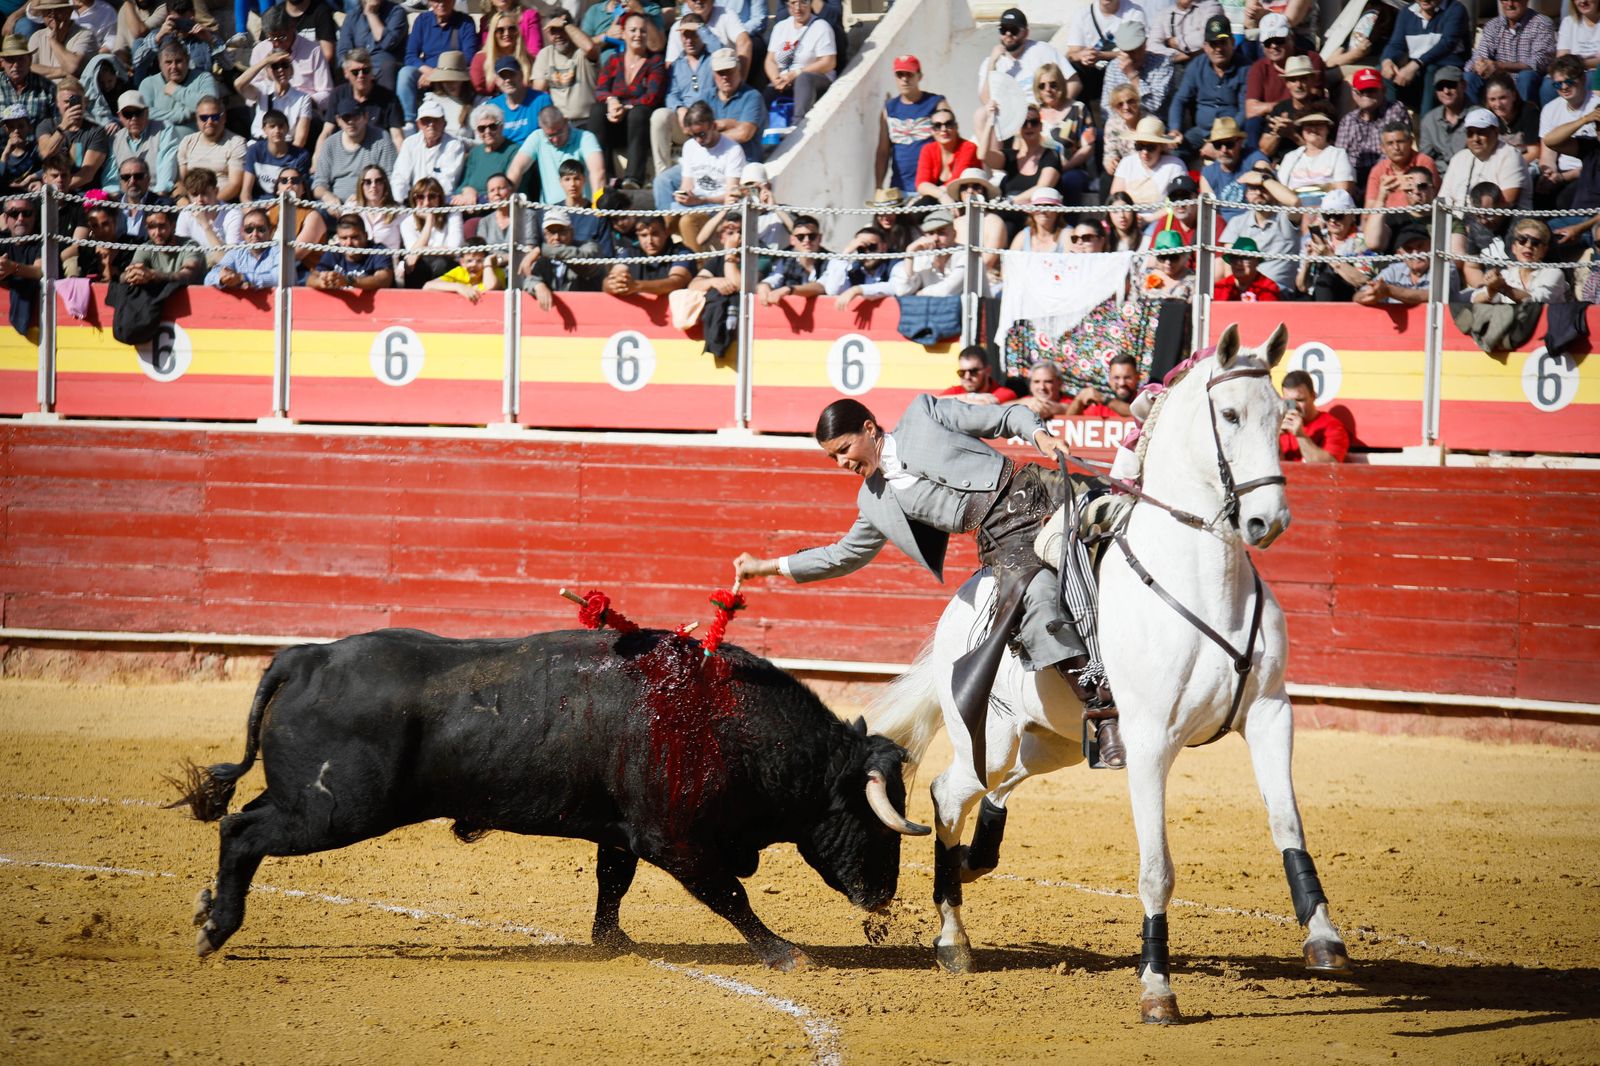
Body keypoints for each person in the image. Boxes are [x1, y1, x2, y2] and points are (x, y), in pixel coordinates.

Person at [730, 394, 1125, 770]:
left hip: (1036, 489)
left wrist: (1041, 435)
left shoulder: (924, 414)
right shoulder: (874, 502)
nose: (840, 462)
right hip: (1003, 541)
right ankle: (1103, 713)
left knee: (1124, 509)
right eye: (832, 456)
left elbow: (1005, 417)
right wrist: (768, 566)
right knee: (1036, 596)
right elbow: (843, 555)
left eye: (844, 449)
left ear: (869, 428)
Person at [1166, 13, 1249, 158]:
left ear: (1232, 42)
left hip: (1233, 134)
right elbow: (1180, 99)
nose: (1218, 49)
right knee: (1173, 154)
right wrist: (1175, 129)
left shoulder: (1246, 68)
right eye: (1213, 44)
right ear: (1205, 46)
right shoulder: (1197, 66)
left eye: (1222, 42)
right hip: (1201, 132)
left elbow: (1245, 110)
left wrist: (1220, 139)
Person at [1244, 12, 1324, 146]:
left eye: (1279, 40)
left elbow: (1314, 96)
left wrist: (1277, 109)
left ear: (1291, 37)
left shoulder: (1311, 59)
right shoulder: (1258, 67)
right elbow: (1251, 110)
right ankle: (1257, 162)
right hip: (1273, 122)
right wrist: (1281, 109)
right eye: (1268, 42)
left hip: (1305, 118)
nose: (1274, 46)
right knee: (1253, 123)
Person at [1219, 166, 1300, 291]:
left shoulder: (1286, 217)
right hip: (1245, 290)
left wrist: (1264, 179)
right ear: (1246, 194)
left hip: (1279, 291)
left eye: (1263, 188)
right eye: (1253, 188)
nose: (1258, 193)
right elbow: (1229, 264)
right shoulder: (1237, 222)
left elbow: (1294, 202)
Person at [1381, 0, 1471, 111]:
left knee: (1431, 70)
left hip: (1446, 66)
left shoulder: (1455, 9)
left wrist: (1414, 65)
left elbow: (1447, 44)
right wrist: (1387, 60)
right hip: (1418, 70)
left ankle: (1426, 122)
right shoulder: (1407, 12)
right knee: (1385, 71)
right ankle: (1393, 118)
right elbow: (1396, 44)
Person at [400, 0, 479, 125]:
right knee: (405, 74)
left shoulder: (465, 22)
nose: (441, 4)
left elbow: (469, 56)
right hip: (426, 73)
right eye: (437, 1)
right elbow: (410, 56)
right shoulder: (422, 20)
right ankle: (410, 122)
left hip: (454, 73)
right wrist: (429, 72)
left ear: (453, 2)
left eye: (446, 0)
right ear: (430, 2)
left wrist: (440, 72)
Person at [877, 53, 944, 196]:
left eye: (909, 74)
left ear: (919, 76)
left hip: (932, 187)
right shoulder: (889, 109)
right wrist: (878, 187)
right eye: (900, 74)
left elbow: (951, 142)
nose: (905, 79)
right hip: (899, 188)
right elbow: (883, 151)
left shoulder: (936, 103)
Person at [244, 7, 330, 118]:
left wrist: (302, 102)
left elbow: (327, 93)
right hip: (270, 113)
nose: (276, 44)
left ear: (293, 27)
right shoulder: (260, 50)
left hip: (305, 112)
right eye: (271, 38)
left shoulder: (314, 51)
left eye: (282, 37)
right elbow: (252, 91)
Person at [508, 104, 605, 202]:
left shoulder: (585, 138)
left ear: (566, 121)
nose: (555, 139)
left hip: (583, 210)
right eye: (550, 136)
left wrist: (596, 206)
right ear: (542, 128)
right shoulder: (537, 137)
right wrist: (508, 200)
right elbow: (516, 169)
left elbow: (598, 172)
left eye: (559, 132)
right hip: (550, 213)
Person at [1466, 0, 1555, 105]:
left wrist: (1499, 66)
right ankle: (1476, 118)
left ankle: (1526, 116)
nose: (1510, 4)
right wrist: (1480, 65)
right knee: (1469, 77)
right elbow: (1479, 56)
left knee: (1526, 76)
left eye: (1515, 0)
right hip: (1499, 85)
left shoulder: (1542, 23)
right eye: (1505, 0)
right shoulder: (1493, 25)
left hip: (1528, 86)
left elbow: (1539, 62)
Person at [1337, 67, 1411, 191]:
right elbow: (1340, 159)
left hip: (1387, 176)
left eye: (1371, 90)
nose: (1366, 94)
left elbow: (1393, 153)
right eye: (1362, 90)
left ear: (1383, 90)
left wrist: (1370, 186)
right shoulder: (1348, 120)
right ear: (1354, 93)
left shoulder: (1394, 110)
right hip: (1354, 180)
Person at [764, 0, 835, 126]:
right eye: (793, 3)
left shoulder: (821, 26)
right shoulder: (780, 27)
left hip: (814, 78)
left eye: (803, 2)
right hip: (786, 79)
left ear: (810, 3)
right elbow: (770, 60)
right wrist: (776, 79)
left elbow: (828, 62)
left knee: (803, 79)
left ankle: (797, 125)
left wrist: (796, 74)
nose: (797, 8)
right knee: (768, 91)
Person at [312, 103, 398, 206]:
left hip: (371, 203)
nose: (351, 122)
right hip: (336, 206)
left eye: (356, 116)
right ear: (338, 120)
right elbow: (318, 184)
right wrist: (328, 197)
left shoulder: (382, 139)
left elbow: (390, 178)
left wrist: (363, 198)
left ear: (366, 117)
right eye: (346, 117)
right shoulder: (330, 143)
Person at [1438, 107, 1525, 207]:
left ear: (1496, 132)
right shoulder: (1458, 158)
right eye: (1470, 133)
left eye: (1481, 132)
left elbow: (1506, 204)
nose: (1475, 139)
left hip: (1500, 220)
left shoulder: (1510, 156)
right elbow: (1443, 200)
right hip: (1457, 219)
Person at [1468, 217, 1570, 302]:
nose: (1528, 245)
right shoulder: (1506, 275)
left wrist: (1502, 287)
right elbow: (1474, 299)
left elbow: (1535, 301)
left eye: (1535, 242)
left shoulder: (1554, 274)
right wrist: (1491, 288)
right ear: (1514, 248)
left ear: (1544, 250)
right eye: (1522, 240)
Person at [1296, 189, 1372, 301]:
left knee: (1325, 279)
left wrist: (1329, 256)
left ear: (1352, 215)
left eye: (1338, 215)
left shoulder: (1362, 241)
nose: (1332, 220)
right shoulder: (1317, 239)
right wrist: (1307, 263)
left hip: (1349, 299)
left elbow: (1363, 280)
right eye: (1327, 215)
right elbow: (1302, 286)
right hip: (1317, 298)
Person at [529, 8, 598, 128]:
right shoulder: (545, 54)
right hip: (559, 124)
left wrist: (566, 24)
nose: (558, 35)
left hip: (588, 121)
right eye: (553, 31)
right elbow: (538, 91)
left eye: (562, 30)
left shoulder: (582, 51)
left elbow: (590, 48)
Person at [1538, 54, 1591, 208]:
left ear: (1583, 79)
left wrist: (1563, 177)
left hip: (1589, 174)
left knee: (1564, 201)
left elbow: (1596, 163)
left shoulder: (1596, 106)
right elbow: (1547, 154)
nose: (1564, 87)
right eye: (1558, 84)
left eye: (1569, 81)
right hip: (1561, 173)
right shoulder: (1550, 109)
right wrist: (1549, 173)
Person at [34, 79, 106, 193]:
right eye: (67, 102)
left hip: (81, 193)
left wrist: (57, 189)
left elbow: (86, 174)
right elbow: (45, 152)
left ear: (85, 103)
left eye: (77, 101)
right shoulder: (47, 125)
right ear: (57, 103)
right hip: (51, 189)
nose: (71, 106)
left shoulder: (96, 132)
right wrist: (63, 127)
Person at [1256, 53, 1329, 164]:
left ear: (1313, 80)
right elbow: (1265, 151)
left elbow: (1326, 154)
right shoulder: (1279, 109)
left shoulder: (1323, 109)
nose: (1298, 85)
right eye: (1293, 80)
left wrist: (1293, 135)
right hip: (1282, 167)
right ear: (1287, 83)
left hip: (1315, 167)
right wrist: (1277, 134)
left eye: (1303, 79)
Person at [1064, 0, 1139, 105]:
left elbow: (1136, 51)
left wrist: (1101, 55)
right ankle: (1081, 115)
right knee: (1073, 68)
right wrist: (1083, 55)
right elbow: (1072, 53)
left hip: (1121, 68)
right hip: (1093, 71)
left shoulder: (1134, 12)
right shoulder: (1082, 14)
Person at [236, 46, 312, 149]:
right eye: (275, 66)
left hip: (285, 148)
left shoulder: (303, 98)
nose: (280, 70)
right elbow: (238, 84)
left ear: (291, 69)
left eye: (285, 65)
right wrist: (266, 61)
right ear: (268, 71)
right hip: (258, 146)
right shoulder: (262, 89)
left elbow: (300, 140)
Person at [139, 38, 218, 135]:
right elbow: (145, 115)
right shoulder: (148, 84)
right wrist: (183, 115)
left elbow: (212, 106)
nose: (174, 67)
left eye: (179, 61)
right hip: (159, 148)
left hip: (196, 146)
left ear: (188, 60)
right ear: (160, 64)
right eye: (168, 62)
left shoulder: (203, 78)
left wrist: (176, 91)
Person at [1101, 19, 1174, 124]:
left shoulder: (1163, 64)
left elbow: (1153, 105)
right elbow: (1107, 107)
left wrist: (1132, 75)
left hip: (1155, 124)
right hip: (1122, 125)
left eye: (1137, 49)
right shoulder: (1114, 67)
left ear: (1145, 44)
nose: (1133, 56)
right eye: (1128, 52)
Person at [1198, 115, 1269, 221]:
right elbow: (1209, 215)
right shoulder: (1208, 173)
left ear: (1240, 142)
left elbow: (1268, 179)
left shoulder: (1254, 158)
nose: (1223, 150)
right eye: (1218, 145)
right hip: (1223, 229)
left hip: (1252, 224)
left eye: (1229, 144)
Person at [602, 213, 691, 297]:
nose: (650, 241)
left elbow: (676, 282)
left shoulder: (681, 252)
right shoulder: (629, 253)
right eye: (644, 235)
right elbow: (612, 278)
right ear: (637, 236)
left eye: (655, 234)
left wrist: (636, 286)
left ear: (666, 232)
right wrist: (612, 285)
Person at [1276, 112, 1355, 206]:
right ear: (1302, 130)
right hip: (1293, 212)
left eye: (1319, 125)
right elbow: (1281, 189)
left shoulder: (1338, 154)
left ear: (1328, 129)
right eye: (1309, 125)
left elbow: (1342, 193)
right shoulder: (1290, 157)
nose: (1313, 129)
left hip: (1326, 211)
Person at [1355, 224, 1448, 305]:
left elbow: (1430, 296)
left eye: (1420, 246)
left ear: (1431, 246)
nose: (1415, 253)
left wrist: (1389, 291)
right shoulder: (1394, 270)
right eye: (1409, 249)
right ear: (1400, 253)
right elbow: (1358, 296)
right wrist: (1370, 295)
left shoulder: (1445, 267)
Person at [453, 103, 525, 204]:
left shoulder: (514, 151)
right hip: (472, 208)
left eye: (492, 126)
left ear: (501, 126)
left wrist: (477, 196)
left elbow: (509, 189)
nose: (487, 132)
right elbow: (462, 186)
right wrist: (467, 190)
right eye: (481, 128)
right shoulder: (475, 153)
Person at [176, 95, 244, 202]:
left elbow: (235, 185)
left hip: (222, 204)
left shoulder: (236, 143)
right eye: (203, 118)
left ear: (224, 117)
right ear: (197, 120)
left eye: (215, 117)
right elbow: (181, 180)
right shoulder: (187, 142)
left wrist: (208, 203)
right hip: (191, 205)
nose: (209, 122)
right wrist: (181, 199)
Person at [1109, 115, 1185, 210]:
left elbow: (1178, 204)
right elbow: (1116, 198)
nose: (1144, 152)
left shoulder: (1175, 166)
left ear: (1161, 146)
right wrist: (1132, 219)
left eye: (1151, 147)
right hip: (1129, 219)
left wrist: (1149, 219)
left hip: (1160, 220)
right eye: (1139, 146)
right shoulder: (1126, 163)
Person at [305, 212, 395, 291]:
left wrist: (348, 281)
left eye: (354, 237)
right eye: (344, 238)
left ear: (366, 235)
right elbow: (311, 279)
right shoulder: (334, 251)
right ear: (338, 238)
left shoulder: (378, 251)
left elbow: (383, 280)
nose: (349, 243)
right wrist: (322, 282)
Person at [205, 207, 290, 289]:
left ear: (271, 230)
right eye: (249, 230)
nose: (255, 234)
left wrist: (243, 278)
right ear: (242, 232)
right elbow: (209, 278)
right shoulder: (236, 252)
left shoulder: (279, 250)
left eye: (261, 229)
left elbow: (278, 278)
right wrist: (223, 279)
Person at [891, 209, 969, 296]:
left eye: (941, 233)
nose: (935, 238)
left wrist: (920, 293)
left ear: (954, 234)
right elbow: (903, 290)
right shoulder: (924, 256)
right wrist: (909, 254)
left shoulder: (965, 254)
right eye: (931, 233)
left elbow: (947, 291)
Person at [1278, 369, 1349, 463]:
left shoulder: (1332, 426)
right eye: (1289, 401)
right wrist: (1274, 439)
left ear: (1314, 396)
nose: (1294, 406)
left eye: (1300, 400)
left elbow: (1330, 468)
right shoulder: (1280, 424)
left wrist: (1300, 435)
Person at [122, 204, 203, 286]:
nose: (157, 233)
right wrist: (131, 275)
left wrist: (154, 275)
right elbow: (124, 275)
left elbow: (187, 275)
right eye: (152, 227)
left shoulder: (190, 246)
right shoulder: (146, 248)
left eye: (162, 226)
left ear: (173, 226)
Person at [336, 0, 408, 91]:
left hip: (384, 67)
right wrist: (351, 66)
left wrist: (371, 14)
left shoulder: (396, 12)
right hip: (359, 68)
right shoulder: (352, 16)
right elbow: (343, 50)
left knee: (388, 66)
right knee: (343, 68)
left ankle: (386, 103)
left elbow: (388, 43)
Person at [756, 211, 827, 303]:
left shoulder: (832, 260)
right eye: (801, 237)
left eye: (812, 236)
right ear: (792, 240)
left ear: (820, 238)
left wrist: (789, 290)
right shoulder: (785, 260)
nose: (806, 240)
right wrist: (764, 285)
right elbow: (774, 278)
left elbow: (823, 286)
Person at [174, 166, 239, 265]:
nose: (199, 200)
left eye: (204, 194)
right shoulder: (186, 214)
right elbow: (181, 254)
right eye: (194, 194)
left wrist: (206, 225)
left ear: (216, 191)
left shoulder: (233, 214)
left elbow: (229, 262)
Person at [1365, 121, 1437, 209]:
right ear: (1383, 148)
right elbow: (1368, 211)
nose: (1396, 148)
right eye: (1390, 143)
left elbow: (1431, 198)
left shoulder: (1424, 162)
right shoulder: (1378, 171)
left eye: (1400, 142)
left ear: (1411, 142)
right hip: (1387, 220)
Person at [914, 105, 976, 205]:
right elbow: (921, 184)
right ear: (932, 131)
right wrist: (942, 195)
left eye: (949, 124)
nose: (943, 129)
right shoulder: (928, 149)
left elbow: (957, 181)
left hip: (964, 201)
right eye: (938, 126)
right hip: (939, 200)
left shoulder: (968, 147)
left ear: (956, 127)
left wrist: (932, 191)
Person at [0, 192, 41, 336]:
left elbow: (40, 271)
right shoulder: (2, 241)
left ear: (34, 217)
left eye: (27, 213)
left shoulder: (44, 241)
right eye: (14, 214)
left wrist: (12, 268)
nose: (20, 219)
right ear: (5, 218)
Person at [422, 234, 503, 302]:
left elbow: (489, 287)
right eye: (469, 261)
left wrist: (488, 264)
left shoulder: (493, 271)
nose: (473, 265)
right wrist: (459, 287)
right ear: (462, 262)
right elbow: (427, 286)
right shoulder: (459, 272)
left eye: (479, 261)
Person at [1419, 65, 1469, 172]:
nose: (1446, 91)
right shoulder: (1429, 120)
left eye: (1451, 85)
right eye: (1440, 87)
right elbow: (1426, 158)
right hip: (1439, 179)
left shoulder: (1477, 116)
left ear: (1464, 85)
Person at [472, 9, 533, 96]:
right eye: (500, 30)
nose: (507, 33)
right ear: (493, 34)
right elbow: (478, 92)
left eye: (511, 29)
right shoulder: (480, 59)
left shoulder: (528, 59)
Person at [0, 33, 54, 128]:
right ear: (2, 62)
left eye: (21, 59)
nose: (16, 65)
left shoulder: (47, 87)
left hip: (38, 142)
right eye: (11, 59)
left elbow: (59, 121)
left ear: (30, 60)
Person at [940, 343, 1018, 404]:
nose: (967, 377)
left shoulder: (1005, 393)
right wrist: (972, 396)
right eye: (962, 372)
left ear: (988, 371)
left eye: (973, 371)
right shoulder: (955, 391)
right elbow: (933, 403)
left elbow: (984, 405)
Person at [1154, 0, 1222, 68]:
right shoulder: (1165, 13)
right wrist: (1180, 56)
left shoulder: (1211, 6)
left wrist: (1170, 42)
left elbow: (1206, 37)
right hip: (1172, 68)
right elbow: (1152, 46)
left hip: (1203, 66)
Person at [1067, 352, 1139, 415]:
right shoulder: (1100, 406)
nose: (1122, 383)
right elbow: (1067, 424)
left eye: (1127, 378)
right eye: (1116, 378)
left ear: (1137, 378)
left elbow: (1138, 415)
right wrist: (1079, 399)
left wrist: (1103, 399)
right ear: (1109, 379)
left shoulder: (1146, 399)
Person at [1213, 235, 1281, 300]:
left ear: (1257, 261)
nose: (1238, 263)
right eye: (1234, 258)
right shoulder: (1221, 287)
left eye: (1245, 257)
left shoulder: (1268, 287)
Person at [1139, 227, 1193, 299]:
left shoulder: (1192, 280)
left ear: (1182, 256)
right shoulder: (1145, 276)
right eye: (1162, 257)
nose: (1168, 262)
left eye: (1174, 257)